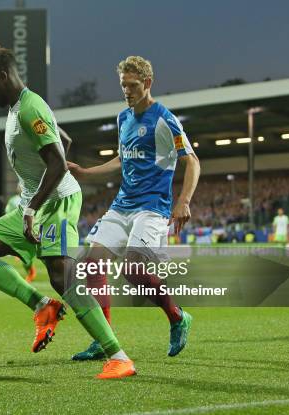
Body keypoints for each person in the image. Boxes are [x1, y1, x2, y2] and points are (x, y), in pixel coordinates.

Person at [0, 44, 135, 379]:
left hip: (56, 203)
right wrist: (30, 203)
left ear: (2, 75)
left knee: (62, 275)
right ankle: (42, 306)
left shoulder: (29, 108)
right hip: (34, 202)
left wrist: (31, 209)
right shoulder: (16, 109)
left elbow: (57, 162)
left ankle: (118, 356)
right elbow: (63, 140)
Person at [68, 56, 200, 360]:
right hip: (122, 204)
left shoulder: (164, 119)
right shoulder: (123, 118)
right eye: (123, 85)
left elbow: (191, 160)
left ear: (148, 83)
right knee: (92, 264)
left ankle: (177, 316)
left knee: (132, 269)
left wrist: (184, 201)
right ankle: (105, 341)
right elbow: (122, 159)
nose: (127, 91)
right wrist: (86, 172)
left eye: (133, 85)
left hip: (152, 207)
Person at [5, 185, 37, 282]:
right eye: (19, 186)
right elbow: (8, 214)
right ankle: (31, 271)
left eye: (22, 187)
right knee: (24, 255)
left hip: (33, 227)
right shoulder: (13, 201)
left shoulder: (33, 198)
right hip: (19, 229)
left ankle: (31, 270)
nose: (20, 188)